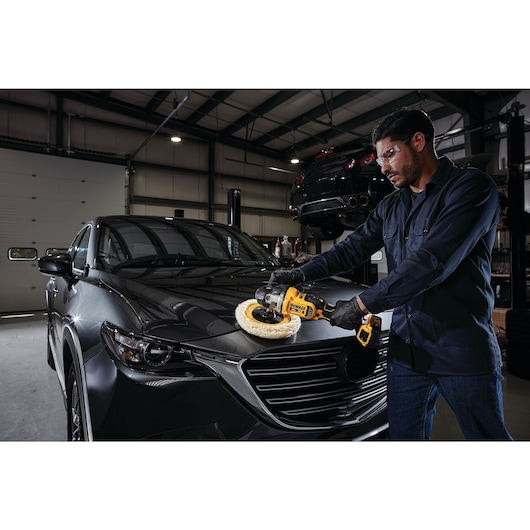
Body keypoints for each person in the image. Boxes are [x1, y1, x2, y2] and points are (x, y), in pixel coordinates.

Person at [270, 108, 513, 440]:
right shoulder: (391, 206)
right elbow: (350, 249)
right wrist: (298, 275)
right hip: (406, 353)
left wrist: (361, 304)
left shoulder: (471, 188)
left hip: (461, 351)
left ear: (418, 142)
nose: (383, 167)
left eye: (390, 154)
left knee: (487, 441)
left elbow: (432, 262)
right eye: (380, 158)